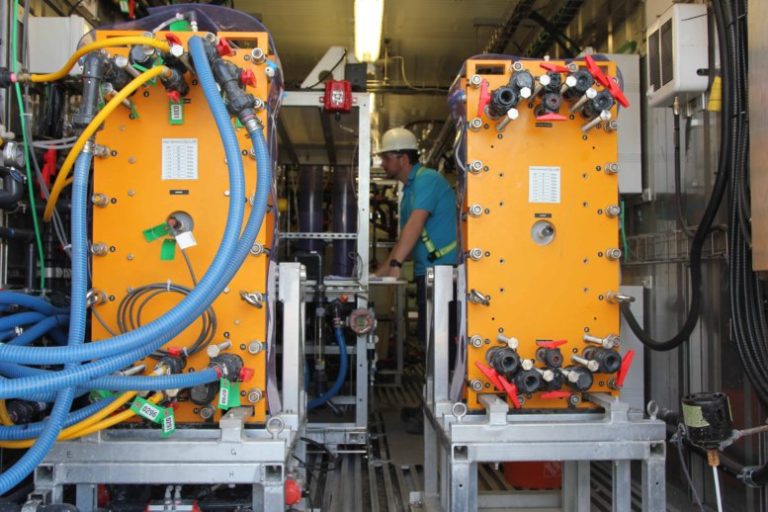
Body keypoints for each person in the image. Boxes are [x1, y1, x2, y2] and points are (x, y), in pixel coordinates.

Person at [373, 126, 457, 433]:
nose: (383, 163)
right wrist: (380, 273)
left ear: (403, 158)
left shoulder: (427, 180)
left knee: (443, 345)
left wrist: (395, 264)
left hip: (445, 276)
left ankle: (445, 412)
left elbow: (415, 225)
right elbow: (405, 238)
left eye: (387, 157)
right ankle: (433, 405)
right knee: (430, 342)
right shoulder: (408, 190)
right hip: (429, 275)